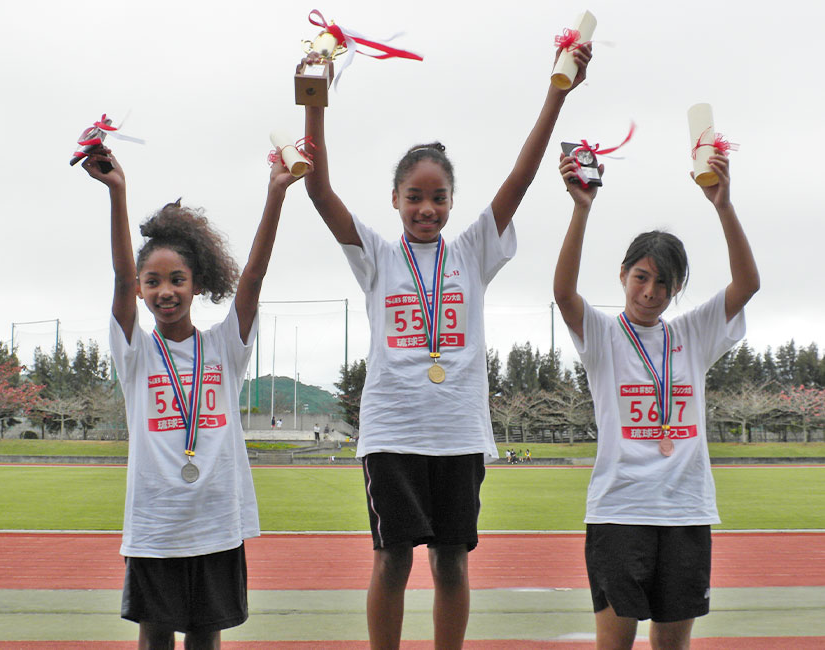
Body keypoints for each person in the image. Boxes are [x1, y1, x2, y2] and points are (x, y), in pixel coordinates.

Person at [302, 40, 592, 649]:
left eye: (437, 197)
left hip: (458, 432)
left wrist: (557, 94)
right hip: (392, 431)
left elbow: (523, 174)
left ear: (452, 202)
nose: (426, 208)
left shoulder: (472, 252)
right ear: (395, 200)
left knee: (453, 561)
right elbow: (320, 193)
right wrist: (315, 101)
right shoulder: (378, 256)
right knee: (393, 560)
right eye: (414, 196)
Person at [82, 145, 304, 649]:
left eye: (177, 280)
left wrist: (276, 195)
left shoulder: (224, 347)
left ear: (196, 284)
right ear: (140, 290)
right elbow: (118, 276)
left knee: (206, 636)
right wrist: (118, 192)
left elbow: (253, 278)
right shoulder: (135, 352)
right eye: (153, 281)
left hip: (215, 521)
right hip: (156, 526)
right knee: (155, 637)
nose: (166, 291)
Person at [552, 151, 759, 649]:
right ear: (623, 274)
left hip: (686, 512)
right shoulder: (603, 335)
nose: (650, 291)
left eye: (663, 281)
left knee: (673, 646)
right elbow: (563, 293)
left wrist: (723, 206)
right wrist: (581, 209)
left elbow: (748, 284)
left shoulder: (693, 333)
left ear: (678, 287)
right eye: (641, 276)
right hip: (619, 511)